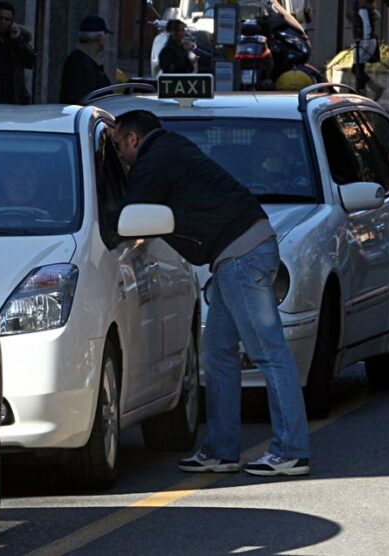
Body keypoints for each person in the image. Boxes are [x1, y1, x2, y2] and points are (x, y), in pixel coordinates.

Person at [113, 110, 311, 477]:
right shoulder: (172, 148)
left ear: (133, 139)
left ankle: (291, 451)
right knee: (218, 353)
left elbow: (129, 214)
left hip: (240, 257)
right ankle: (222, 450)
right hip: (238, 253)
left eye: (118, 146)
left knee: (268, 352)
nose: (120, 156)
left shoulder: (153, 161)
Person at [59, 16, 113, 104]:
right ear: (99, 38)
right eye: (105, 36)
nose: (106, 39)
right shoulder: (80, 63)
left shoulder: (81, 60)